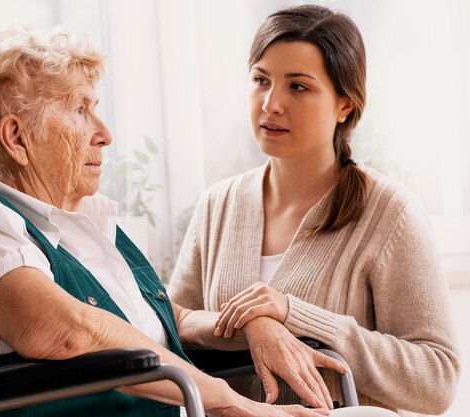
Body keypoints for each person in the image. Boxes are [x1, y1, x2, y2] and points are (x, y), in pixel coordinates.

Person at [0, 26, 349, 417]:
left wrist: (257, 327)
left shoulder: (85, 225)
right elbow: (66, 332)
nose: (104, 133)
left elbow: (168, 321)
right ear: (17, 138)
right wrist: (233, 405)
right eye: (79, 110)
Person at [168, 5, 460, 416]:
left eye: (298, 87)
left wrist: (295, 314)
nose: (271, 104)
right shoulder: (218, 204)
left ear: (345, 104)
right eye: (260, 80)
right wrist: (256, 324)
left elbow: (437, 379)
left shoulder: (391, 214)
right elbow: (170, 328)